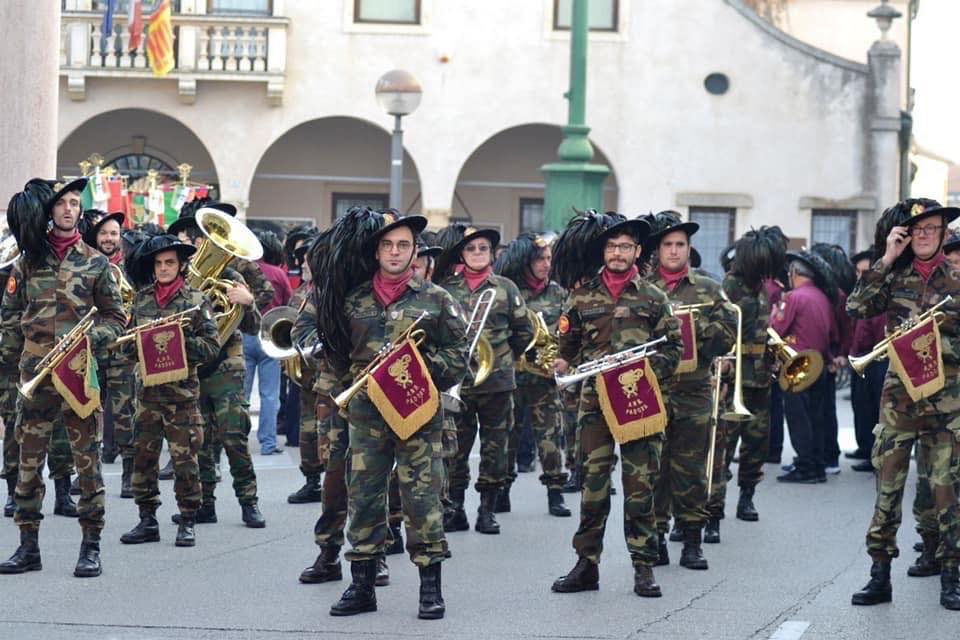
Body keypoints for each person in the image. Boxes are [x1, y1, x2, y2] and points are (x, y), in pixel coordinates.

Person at [314, 209, 468, 619]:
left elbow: (459, 359)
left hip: (419, 414)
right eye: (388, 245)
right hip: (366, 416)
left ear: (415, 251)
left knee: (422, 499)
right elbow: (335, 355)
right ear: (376, 251)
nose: (395, 252)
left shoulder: (437, 300)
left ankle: (429, 589)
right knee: (363, 497)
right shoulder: (353, 300)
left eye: (403, 245)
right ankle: (361, 586)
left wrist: (415, 362)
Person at [0, 178, 126, 577]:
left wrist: (91, 338)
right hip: (34, 373)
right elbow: (9, 319)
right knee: (27, 462)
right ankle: (28, 546)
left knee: (86, 461)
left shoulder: (95, 262)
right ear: (51, 211)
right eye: (63, 203)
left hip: (76, 372)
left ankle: (91, 546)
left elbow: (115, 318)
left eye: (75, 203)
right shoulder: (27, 262)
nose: (70, 209)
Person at [551, 215, 682, 598]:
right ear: (603, 252)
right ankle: (586, 565)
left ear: (638, 252)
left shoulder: (654, 298)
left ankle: (643, 566)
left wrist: (640, 370)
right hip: (594, 403)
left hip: (639, 400)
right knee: (592, 487)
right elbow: (568, 347)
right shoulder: (580, 297)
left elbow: (674, 350)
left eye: (626, 247)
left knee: (640, 487)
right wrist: (561, 363)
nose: (618, 253)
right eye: (612, 247)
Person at [848, 199, 960, 610]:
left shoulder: (958, 281)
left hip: (948, 405)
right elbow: (856, 308)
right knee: (887, 493)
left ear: (945, 233)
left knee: (947, 493)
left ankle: (951, 576)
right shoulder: (894, 277)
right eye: (918, 230)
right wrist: (886, 258)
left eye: (933, 229)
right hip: (899, 403)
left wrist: (937, 344)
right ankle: (879, 576)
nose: (926, 236)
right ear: (907, 236)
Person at [169, 201, 269, 528]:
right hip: (193, 366)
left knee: (234, 436)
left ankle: (249, 502)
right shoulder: (180, 280)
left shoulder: (233, 277)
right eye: (197, 241)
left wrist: (249, 303)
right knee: (199, 440)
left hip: (227, 365)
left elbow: (253, 326)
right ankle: (204, 503)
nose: (199, 246)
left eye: (202, 241)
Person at [646, 214, 736, 570]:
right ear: (657, 250)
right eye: (667, 245)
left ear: (689, 249)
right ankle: (655, 536)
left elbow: (728, 335)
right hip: (652, 390)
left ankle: (692, 540)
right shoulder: (643, 288)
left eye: (680, 244)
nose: (673, 251)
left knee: (692, 468)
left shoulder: (709, 289)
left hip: (694, 390)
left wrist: (694, 330)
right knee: (655, 467)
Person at [118, 235, 219, 547]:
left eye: (170, 263)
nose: (163, 268)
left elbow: (212, 345)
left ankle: (188, 519)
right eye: (159, 263)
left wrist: (177, 341)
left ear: (181, 265)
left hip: (181, 398)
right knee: (143, 461)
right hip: (147, 395)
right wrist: (135, 346)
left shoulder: (196, 300)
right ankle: (147, 520)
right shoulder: (142, 299)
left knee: (185, 461)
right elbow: (126, 346)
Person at [434, 225, 533, 535]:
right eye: (471, 249)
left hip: (497, 382)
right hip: (459, 382)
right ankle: (455, 508)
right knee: (455, 448)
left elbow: (524, 332)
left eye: (483, 249)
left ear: (492, 254)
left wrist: (501, 358)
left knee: (496, 447)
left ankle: (487, 510)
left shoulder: (506, 288)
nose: (477, 253)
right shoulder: (447, 289)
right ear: (462, 254)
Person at [704, 227, 784, 544]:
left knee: (756, 444)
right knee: (721, 449)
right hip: (731, 379)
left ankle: (747, 494)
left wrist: (774, 355)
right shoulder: (728, 288)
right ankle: (712, 515)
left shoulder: (761, 288)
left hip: (760, 378)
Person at [494, 232, 570, 517]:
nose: (545, 264)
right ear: (526, 260)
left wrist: (564, 359)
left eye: (549, 258)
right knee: (508, 440)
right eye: (540, 259)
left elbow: (570, 333)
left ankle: (555, 493)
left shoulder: (558, 294)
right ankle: (502, 492)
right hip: (512, 376)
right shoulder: (511, 292)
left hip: (544, 379)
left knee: (550, 439)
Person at [82, 211, 138, 499]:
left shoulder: (132, 268)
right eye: (104, 233)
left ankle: (129, 475)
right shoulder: (88, 265)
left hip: (123, 351)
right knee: (88, 411)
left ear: (120, 237)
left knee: (125, 414)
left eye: (114, 233)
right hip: (94, 348)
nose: (108, 238)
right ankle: (88, 473)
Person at [771, 250, 836, 484]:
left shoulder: (793, 297)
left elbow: (776, 331)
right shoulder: (822, 297)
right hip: (819, 363)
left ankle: (806, 465)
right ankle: (816, 464)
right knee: (816, 418)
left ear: (794, 273)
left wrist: (773, 315)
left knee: (798, 418)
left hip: (798, 365)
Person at [244, 229, 292, 455]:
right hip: (269, 338)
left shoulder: (241, 271)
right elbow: (288, 305)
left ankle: (237, 442)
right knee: (270, 394)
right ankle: (268, 443)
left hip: (243, 335)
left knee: (240, 395)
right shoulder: (279, 274)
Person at [287, 235, 325, 504]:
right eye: (302, 259)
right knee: (307, 430)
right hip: (306, 376)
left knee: (333, 432)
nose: (303, 263)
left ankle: (337, 482)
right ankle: (311, 480)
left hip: (330, 374)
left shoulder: (333, 292)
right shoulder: (299, 293)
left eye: (308, 259)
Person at [846, 247, 887, 472]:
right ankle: (865, 448)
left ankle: (874, 455)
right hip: (862, 357)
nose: (861, 277)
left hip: (874, 359)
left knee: (872, 409)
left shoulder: (878, 296)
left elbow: (870, 332)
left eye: (865, 272)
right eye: (859, 273)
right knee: (861, 407)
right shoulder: (861, 295)